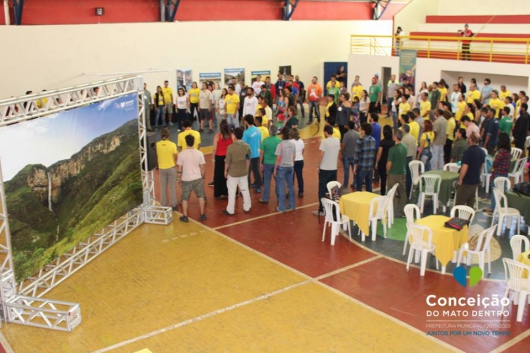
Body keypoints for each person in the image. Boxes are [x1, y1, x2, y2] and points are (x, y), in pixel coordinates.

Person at [176, 134, 206, 222]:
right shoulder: (199, 153)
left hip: (186, 179)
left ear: (186, 142)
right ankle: (202, 214)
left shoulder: (181, 154)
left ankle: (185, 216)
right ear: (194, 142)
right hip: (197, 178)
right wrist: (203, 178)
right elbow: (203, 167)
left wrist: (178, 179)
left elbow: (179, 169)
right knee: (201, 196)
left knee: (184, 198)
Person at [313, 125, 341, 216]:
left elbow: (321, 155)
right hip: (334, 169)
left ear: (325, 132)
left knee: (322, 189)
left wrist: (318, 165)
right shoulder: (337, 140)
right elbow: (339, 152)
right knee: (334, 189)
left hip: (325, 169)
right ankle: (335, 207)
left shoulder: (324, 142)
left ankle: (322, 209)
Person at [224, 127, 251, 215]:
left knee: (231, 191)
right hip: (243, 172)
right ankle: (247, 207)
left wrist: (225, 171)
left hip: (233, 173)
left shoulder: (230, 148)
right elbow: (248, 159)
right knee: (245, 189)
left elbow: (227, 162)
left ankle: (230, 210)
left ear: (234, 136)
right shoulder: (247, 146)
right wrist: (246, 169)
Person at [484, 133, 511, 214]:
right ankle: (500, 206)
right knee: (502, 191)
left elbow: (495, 163)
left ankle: (492, 207)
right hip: (505, 174)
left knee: (495, 190)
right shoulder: (508, 151)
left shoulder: (500, 152)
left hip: (497, 174)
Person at [456, 133, 484, 207]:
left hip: (467, 181)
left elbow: (464, 167)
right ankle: (468, 217)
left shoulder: (468, 152)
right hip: (475, 180)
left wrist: (460, 179)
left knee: (459, 203)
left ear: (470, 140)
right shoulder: (482, 152)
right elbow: (481, 166)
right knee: (470, 202)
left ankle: (457, 217)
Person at [273, 128, 296, 212]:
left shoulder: (280, 145)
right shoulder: (293, 144)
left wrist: (275, 169)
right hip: (290, 166)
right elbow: (294, 156)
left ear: (282, 135)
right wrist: (291, 163)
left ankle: (282, 207)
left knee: (281, 187)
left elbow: (278, 158)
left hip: (282, 167)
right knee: (291, 186)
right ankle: (292, 205)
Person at [387, 129, 408, 216]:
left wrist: (387, 171)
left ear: (395, 137)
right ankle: (402, 211)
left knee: (391, 193)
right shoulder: (404, 147)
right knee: (402, 192)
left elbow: (389, 163)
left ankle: (389, 211)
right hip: (402, 172)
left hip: (393, 173)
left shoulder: (392, 150)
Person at [156, 128, 178, 211]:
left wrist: (157, 167)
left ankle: (164, 204)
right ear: (168, 135)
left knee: (163, 187)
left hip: (162, 168)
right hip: (171, 167)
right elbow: (175, 157)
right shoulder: (172, 144)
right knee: (172, 187)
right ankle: (173, 204)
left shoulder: (157, 145)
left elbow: (156, 157)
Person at [260, 125, 281, 204]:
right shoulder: (279, 141)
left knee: (267, 181)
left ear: (269, 131)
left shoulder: (265, 141)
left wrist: (260, 164)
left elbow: (261, 154)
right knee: (278, 181)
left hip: (267, 163)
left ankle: (265, 198)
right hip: (277, 164)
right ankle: (279, 197)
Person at [212, 120, 233, 199]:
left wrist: (212, 158)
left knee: (218, 175)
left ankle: (218, 193)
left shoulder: (217, 136)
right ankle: (229, 192)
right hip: (229, 157)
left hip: (219, 157)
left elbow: (214, 149)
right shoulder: (232, 136)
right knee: (230, 175)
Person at [353, 123, 376, 192]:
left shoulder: (360, 141)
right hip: (369, 166)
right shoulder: (373, 140)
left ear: (364, 131)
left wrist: (355, 166)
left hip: (362, 166)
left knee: (359, 185)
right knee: (369, 184)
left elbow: (357, 155)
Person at [243, 115, 262, 193]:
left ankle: (246, 188)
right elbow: (260, 142)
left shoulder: (246, 133)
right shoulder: (258, 130)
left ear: (246, 122)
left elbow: (244, 145)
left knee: (247, 172)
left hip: (249, 155)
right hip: (257, 154)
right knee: (256, 171)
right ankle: (258, 186)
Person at [376, 125, 395, 195]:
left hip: (383, 162)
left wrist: (376, 162)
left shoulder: (382, 142)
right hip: (391, 161)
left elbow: (379, 154)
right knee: (391, 178)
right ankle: (391, 192)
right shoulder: (393, 142)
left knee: (383, 178)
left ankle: (383, 192)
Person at [342, 121, 359, 189]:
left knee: (346, 171)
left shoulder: (346, 135)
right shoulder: (357, 134)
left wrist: (341, 153)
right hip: (354, 155)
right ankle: (355, 182)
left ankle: (345, 184)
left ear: (348, 126)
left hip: (347, 155)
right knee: (354, 170)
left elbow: (343, 145)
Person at [401, 124, 417, 198]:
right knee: (409, 177)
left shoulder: (404, 139)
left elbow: (402, 150)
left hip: (405, 158)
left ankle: (403, 193)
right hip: (411, 158)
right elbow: (415, 149)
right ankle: (409, 192)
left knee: (403, 176)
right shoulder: (413, 138)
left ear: (404, 130)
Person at [289, 128, 304, 198]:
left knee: (291, 177)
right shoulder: (301, 141)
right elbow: (302, 150)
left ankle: (290, 191)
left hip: (292, 161)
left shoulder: (290, 142)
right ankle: (301, 191)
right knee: (300, 176)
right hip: (300, 160)